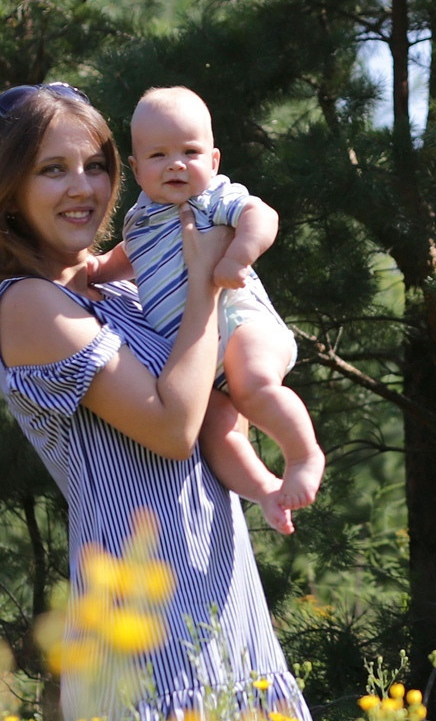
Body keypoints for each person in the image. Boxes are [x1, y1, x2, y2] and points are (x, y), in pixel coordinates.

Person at [0, 81, 333, 721]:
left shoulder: (122, 279)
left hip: (217, 589)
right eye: (51, 169)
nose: (83, 186)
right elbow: (171, 426)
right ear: (4, 191)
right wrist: (202, 286)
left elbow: (214, 395)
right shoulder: (30, 305)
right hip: (143, 622)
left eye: (95, 164)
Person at [88, 85, 325, 534]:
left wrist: (239, 256)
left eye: (189, 151)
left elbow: (262, 215)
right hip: (199, 355)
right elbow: (127, 258)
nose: (176, 164)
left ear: (213, 161)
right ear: (136, 170)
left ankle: (304, 454)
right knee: (215, 426)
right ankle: (266, 490)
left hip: (241, 324)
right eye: (158, 156)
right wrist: (97, 269)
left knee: (253, 386)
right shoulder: (139, 219)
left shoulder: (212, 198)